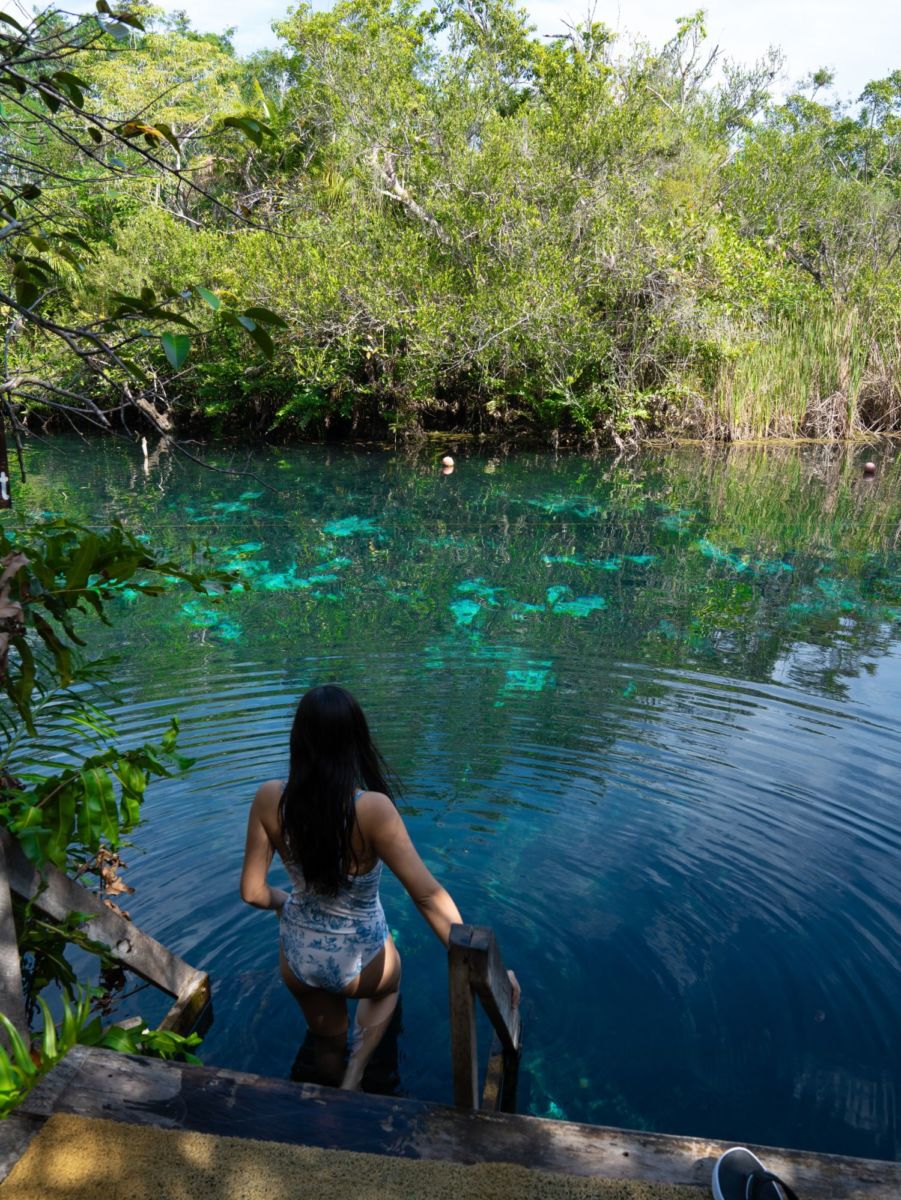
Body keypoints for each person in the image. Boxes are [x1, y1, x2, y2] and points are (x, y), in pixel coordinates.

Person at [240, 684, 518, 1089]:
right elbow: (427, 895)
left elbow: (251, 891)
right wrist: (481, 968)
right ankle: (358, 1071)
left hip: (299, 958)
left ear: (297, 740)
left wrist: (285, 902)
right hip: (361, 963)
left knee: (326, 1044)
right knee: (388, 989)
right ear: (355, 742)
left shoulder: (270, 799)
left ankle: (329, 1096)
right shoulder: (371, 809)